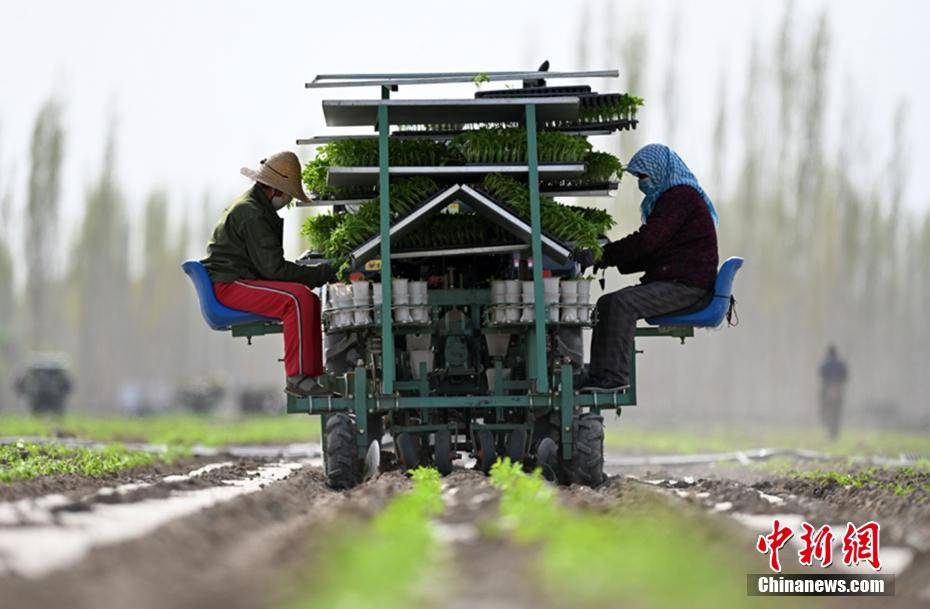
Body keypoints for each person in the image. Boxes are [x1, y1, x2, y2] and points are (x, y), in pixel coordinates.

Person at [579, 143, 720, 392]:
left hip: (687, 285)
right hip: (679, 280)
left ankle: (612, 378)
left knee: (621, 304)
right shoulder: (673, 197)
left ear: (659, 171)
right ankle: (599, 375)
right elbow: (653, 249)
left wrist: (603, 255)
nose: (640, 183)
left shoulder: (679, 197)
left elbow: (647, 242)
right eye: (637, 178)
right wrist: (609, 258)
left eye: (643, 176)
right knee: (607, 303)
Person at [202, 151, 335, 397]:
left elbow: (269, 265)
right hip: (229, 285)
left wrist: (311, 275)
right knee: (297, 299)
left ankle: (312, 375)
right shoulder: (251, 213)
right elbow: (273, 269)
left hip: (240, 279)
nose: (288, 202)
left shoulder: (255, 207)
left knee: (309, 299)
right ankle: (298, 378)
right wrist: (322, 273)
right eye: (288, 196)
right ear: (275, 191)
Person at [819, 344, 848, 439]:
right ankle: (835, 432)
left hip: (827, 389)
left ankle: (830, 431)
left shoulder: (825, 364)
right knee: (837, 412)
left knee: (826, 411)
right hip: (838, 389)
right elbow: (845, 377)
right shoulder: (841, 364)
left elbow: (821, 375)